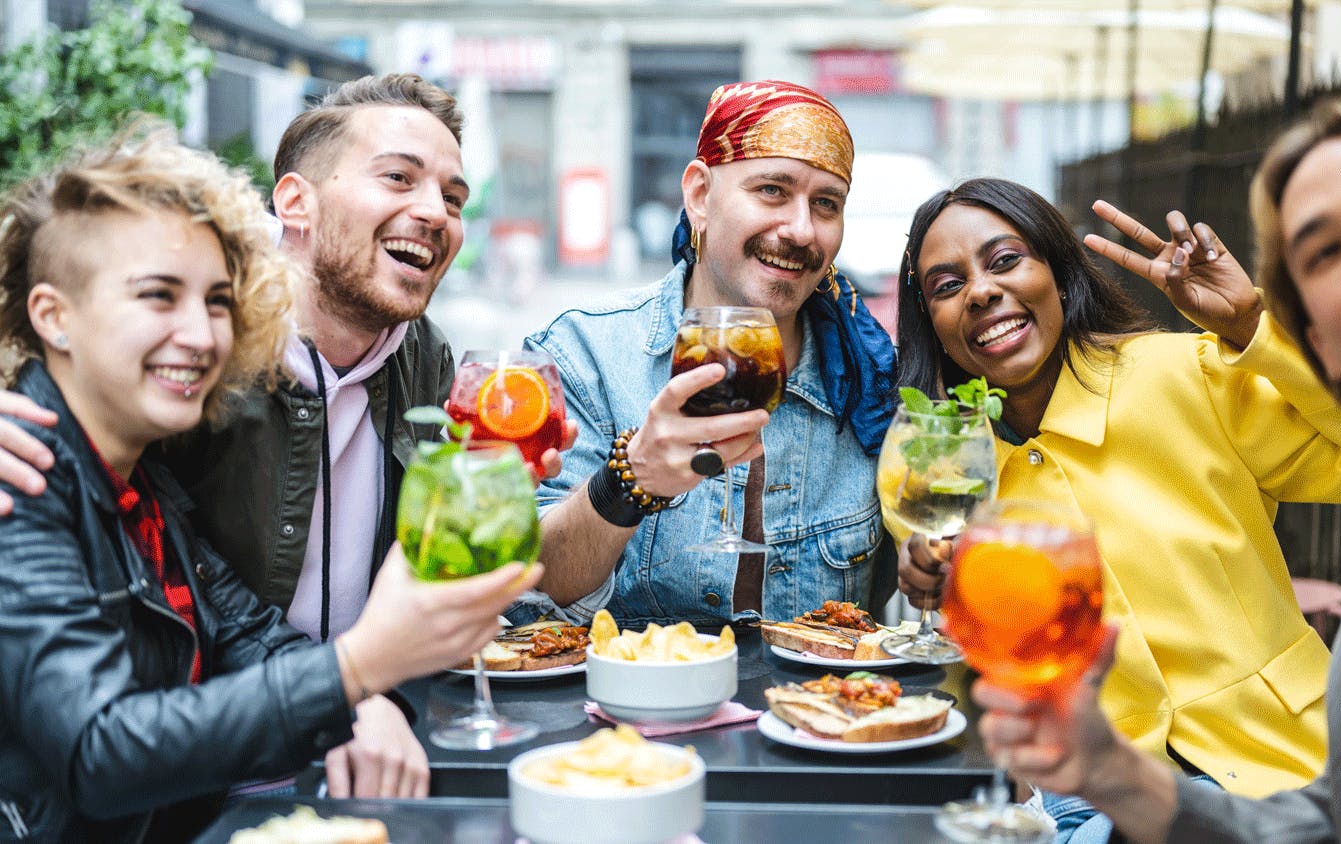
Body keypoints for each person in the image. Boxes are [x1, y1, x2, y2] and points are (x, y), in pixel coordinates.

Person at [0, 73, 574, 799]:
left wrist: (364, 691)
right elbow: (101, 751)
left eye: (217, 303)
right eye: (157, 296)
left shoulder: (140, 469)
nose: (202, 335)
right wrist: (355, 672)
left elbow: (236, 623)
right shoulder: (27, 473)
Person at [891, 176, 1341, 840]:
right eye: (946, 286)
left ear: (1061, 274)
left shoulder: (1189, 375)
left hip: (1286, 764)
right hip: (1089, 797)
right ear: (931, 320)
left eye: (1006, 260)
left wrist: (1254, 328)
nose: (982, 291)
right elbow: (969, 662)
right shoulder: (934, 456)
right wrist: (932, 587)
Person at [515, 80, 897, 627]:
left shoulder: (872, 387)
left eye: (826, 204)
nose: (800, 229)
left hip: (820, 710)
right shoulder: (583, 356)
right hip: (631, 711)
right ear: (699, 196)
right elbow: (531, 590)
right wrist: (632, 480)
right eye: (771, 190)